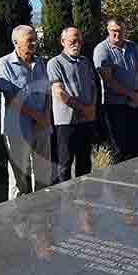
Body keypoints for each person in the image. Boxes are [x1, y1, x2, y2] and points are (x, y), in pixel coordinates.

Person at [0, 25, 52, 200]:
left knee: (43, 175)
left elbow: (47, 92)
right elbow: (12, 99)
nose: (34, 43)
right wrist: (38, 116)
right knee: (19, 180)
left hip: (41, 127)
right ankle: (17, 214)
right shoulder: (4, 64)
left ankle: (42, 210)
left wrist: (46, 115)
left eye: (35, 39)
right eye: (29, 40)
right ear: (16, 42)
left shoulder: (40, 63)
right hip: (17, 129)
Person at [93, 19, 138, 164]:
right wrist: (132, 95)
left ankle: (135, 177)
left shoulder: (132, 46)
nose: (118, 34)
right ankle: (119, 179)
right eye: (114, 31)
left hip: (136, 104)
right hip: (114, 106)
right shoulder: (102, 50)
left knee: (137, 147)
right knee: (119, 149)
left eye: (121, 31)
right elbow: (108, 81)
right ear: (108, 30)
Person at [47, 27, 97, 183]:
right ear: (63, 42)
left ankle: (83, 195)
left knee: (85, 162)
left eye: (79, 41)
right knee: (65, 163)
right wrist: (83, 109)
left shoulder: (85, 61)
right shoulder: (54, 63)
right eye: (73, 41)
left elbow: (93, 87)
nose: (77, 44)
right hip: (66, 122)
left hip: (86, 120)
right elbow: (59, 92)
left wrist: (92, 108)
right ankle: (65, 196)